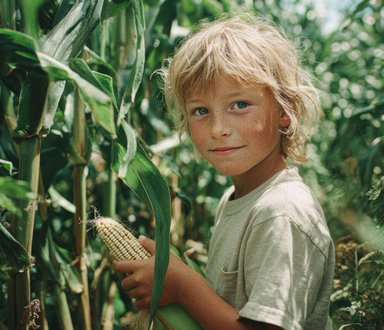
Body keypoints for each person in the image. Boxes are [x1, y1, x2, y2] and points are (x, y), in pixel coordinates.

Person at [114, 15, 335, 330]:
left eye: (240, 105)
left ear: (286, 112)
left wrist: (184, 286)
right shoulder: (235, 199)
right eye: (201, 111)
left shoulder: (281, 214)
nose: (218, 129)